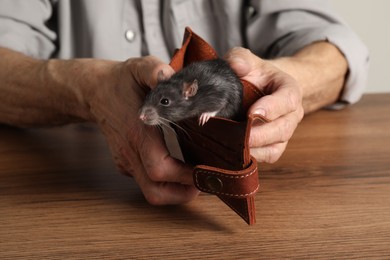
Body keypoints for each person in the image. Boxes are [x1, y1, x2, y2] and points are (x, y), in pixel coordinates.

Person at [0, 1, 369, 205]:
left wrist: (281, 81)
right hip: (88, 175)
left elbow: (336, 47)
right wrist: (90, 87)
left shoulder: (199, 93)